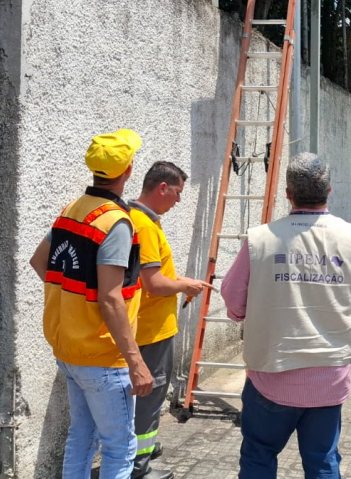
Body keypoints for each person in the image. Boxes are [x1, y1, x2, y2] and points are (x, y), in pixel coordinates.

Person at [221, 152, 351, 479]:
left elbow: (234, 302)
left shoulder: (259, 239)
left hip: (270, 376)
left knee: (259, 457)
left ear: (288, 193)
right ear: (330, 190)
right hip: (329, 379)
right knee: (322, 462)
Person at [27, 129, 153, 479]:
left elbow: (41, 262)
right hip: (103, 356)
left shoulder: (73, 210)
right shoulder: (116, 222)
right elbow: (111, 297)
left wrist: (74, 307)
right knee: (119, 446)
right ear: (128, 170)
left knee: (81, 437)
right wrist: (136, 362)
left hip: (69, 349)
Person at [126, 161, 212, 479]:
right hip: (151, 330)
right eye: (177, 192)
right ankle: (138, 467)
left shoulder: (138, 218)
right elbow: (153, 283)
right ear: (162, 187)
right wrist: (185, 285)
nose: (178, 200)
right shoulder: (145, 226)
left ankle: (140, 452)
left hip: (146, 327)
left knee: (141, 399)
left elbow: (153, 275)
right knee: (149, 397)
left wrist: (178, 281)